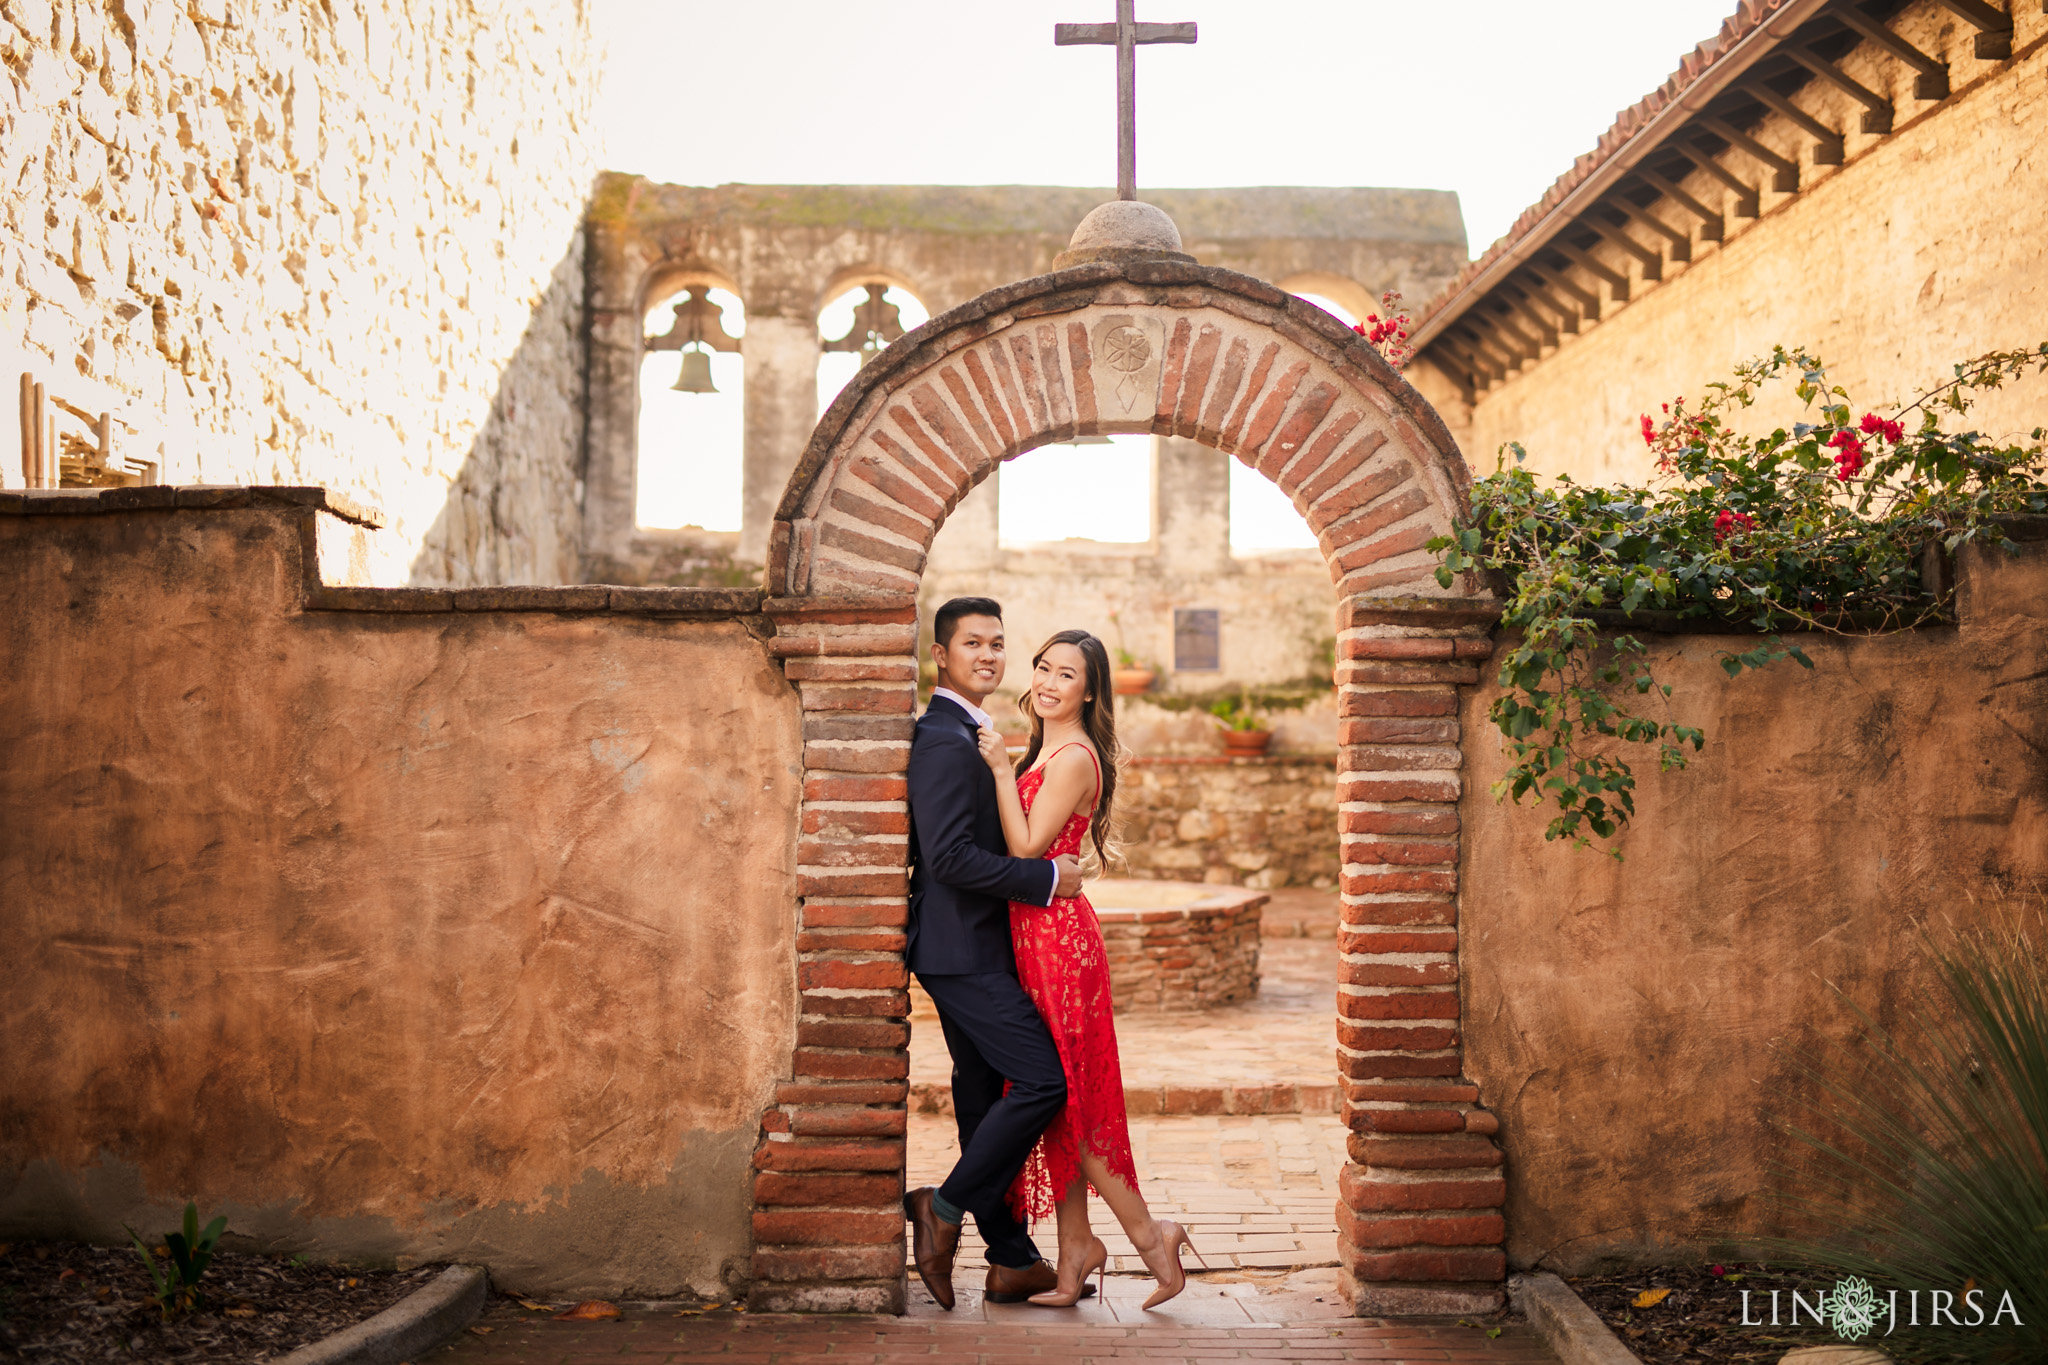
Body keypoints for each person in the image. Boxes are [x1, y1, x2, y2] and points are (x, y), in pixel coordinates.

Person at [974, 628, 1204, 1309]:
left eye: (1065, 673)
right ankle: (1075, 1252)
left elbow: (1023, 845)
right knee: (1053, 1103)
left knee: (1071, 1100)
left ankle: (1151, 1234)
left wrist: (992, 769)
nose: (1045, 680)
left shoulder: (1072, 756)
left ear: (1091, 689)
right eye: (1042, 666)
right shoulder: (1048, 745)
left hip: (1058, 943)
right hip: (1035, 935)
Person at [902, 597, 1088, 1309]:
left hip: (976, 946)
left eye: (997, 643)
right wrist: (1046, 878)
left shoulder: (974, 730)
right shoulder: (945, 739)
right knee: (1042, 1082)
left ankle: (1011, 1257)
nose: (987, 654)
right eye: (971, 643)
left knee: (983, 1100)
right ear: (940, 657)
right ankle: (941, 1210)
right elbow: (948, 857)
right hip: (962, 948)